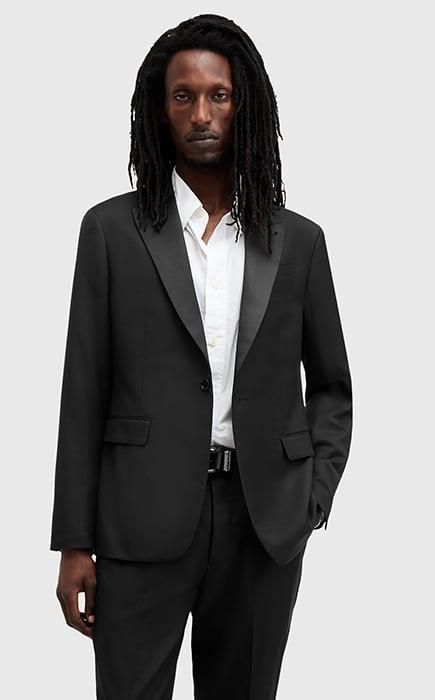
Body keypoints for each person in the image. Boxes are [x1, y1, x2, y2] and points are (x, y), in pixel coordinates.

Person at [50, 13, 353, 699]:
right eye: (182, 96)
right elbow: (82, 392)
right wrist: (73, 542)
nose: (202, 114)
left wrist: (311, 496)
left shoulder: (299, 242)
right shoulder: (110, 231)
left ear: (244, 106)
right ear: (159, 111)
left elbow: (332, 387)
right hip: (138, 520)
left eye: (219, 95)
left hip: (263, 524)